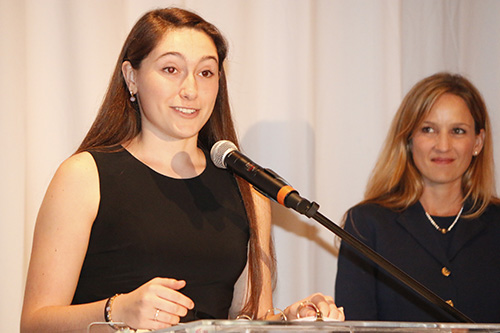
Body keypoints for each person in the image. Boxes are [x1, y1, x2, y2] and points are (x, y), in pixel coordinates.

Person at [20, 7, 344, 332]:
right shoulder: (84, 176)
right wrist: (117, 310)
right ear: (131, 77)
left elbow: (248, 318)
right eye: (171, 69)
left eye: (205, 73)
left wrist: (292, 318)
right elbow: (35, 324)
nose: (190, 90)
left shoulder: (247, 187)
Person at [335, 72, 500, 323]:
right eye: (428, 129)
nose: (443, 145)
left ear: (478, 141)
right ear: (409, 138)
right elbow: (355, 326)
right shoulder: (366, 224)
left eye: (457, 130)